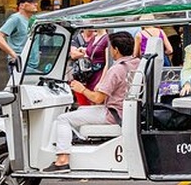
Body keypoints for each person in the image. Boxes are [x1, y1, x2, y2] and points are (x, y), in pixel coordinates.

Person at [43, 32, 138, 173]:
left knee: (62, 119)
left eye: (110, 47)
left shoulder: (117, 69)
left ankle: (62, 159)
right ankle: (76, 142)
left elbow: (97, 98)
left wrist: (82, 89)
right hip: (124, 111)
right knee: (80, 111)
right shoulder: (136, 64)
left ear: (116, 50)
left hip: (113, 115)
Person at [0, 0, 40, 65]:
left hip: (32, 63)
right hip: (20, 64)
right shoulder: (16, 18)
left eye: (35, 2)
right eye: (31, 2)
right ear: (22, 5)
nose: (36, 4)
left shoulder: (33, 19)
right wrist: (14, 55)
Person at [69, 29, 109, 106]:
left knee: (97, 101)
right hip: (90, 75)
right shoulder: (94, 37)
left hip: (99, 75)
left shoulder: (107, 39)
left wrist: (101, 82)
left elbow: (108, 63)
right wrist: (84, 51)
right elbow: (90, 55)